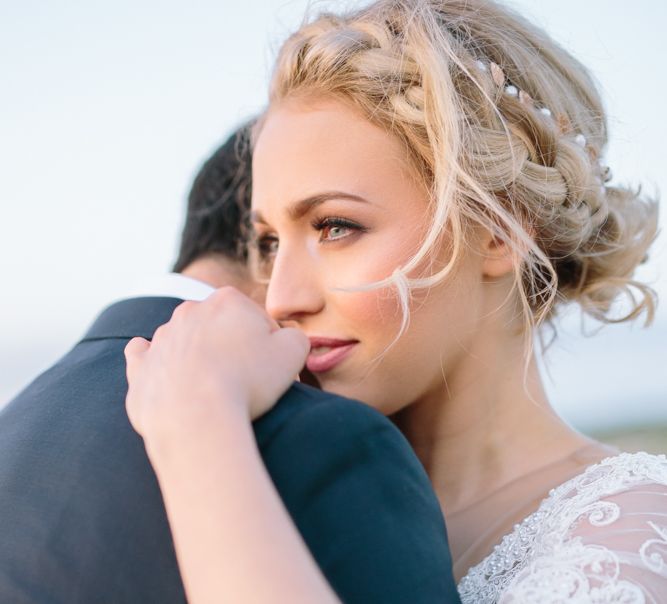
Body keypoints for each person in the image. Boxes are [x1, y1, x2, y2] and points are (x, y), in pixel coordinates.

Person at [124, 0, 667, 602]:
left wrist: (198, 431)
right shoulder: (280, 484)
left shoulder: (631, 532)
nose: (280, 297)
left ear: (500, 228)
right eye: (270, 241)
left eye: (334, 226)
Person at [0, 126, 459, 603]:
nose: (291, 297)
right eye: (327, 227)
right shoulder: (324, 437)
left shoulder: (16, 424)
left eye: (336, 227)